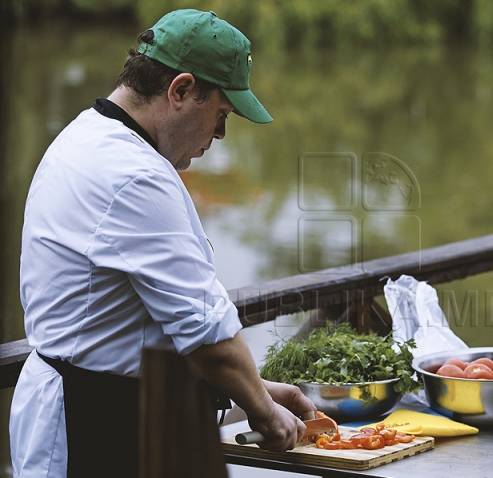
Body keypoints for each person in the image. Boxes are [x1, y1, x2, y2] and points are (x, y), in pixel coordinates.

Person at [9, 9, 315, 477]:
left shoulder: (85, 137)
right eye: (221, 114)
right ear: (181, 90)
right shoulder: (134, 176)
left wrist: (254, 388)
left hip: (86, 402)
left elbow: (129, 323)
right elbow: (208, 335)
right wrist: (263, 411)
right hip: (94, 423)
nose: (220, 134)